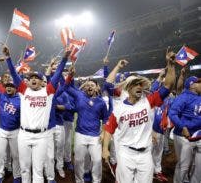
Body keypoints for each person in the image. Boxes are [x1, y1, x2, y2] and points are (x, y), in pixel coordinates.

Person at [102, 51, 176, 183]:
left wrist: (170, 65)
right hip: (125, 150)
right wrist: (104, 149)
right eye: (135, 84)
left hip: (145, 153)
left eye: (140, 84)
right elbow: (108, 128)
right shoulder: (120, 103)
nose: (139, 87)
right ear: (128, 88)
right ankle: (114, 162)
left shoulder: (149, 100)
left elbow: (168, 86)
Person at [3, 45, 70, 183]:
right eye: (31, 77)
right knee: (25, 169)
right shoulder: (23, 90)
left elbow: (56, 76)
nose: (33, 79)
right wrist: (8, 58)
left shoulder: (48, 91)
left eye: (36, 77)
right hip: (24, 135)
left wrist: (64, 59)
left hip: (41, 136)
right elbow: (14, 74)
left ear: (42, 81)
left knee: (38, 170)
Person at [65, 65, 112, 183]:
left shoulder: (101, 102)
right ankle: (79, 180)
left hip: (95, 135)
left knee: (96, 161)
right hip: (80, 134)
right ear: (85, 87)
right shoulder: (79, 95)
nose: (90, 86)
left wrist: (103, 132)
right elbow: (67, 87)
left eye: (92, 85)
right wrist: (70, 75)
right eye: (88, 85)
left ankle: (96, 180)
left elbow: (106, 119)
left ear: (97, 88)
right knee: (78, 160)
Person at [0, 68, 21, 183]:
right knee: (0, 154)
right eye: (8, 86)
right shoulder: (1, 96)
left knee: (16, 156)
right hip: (2, 130)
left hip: (15, 131)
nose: (9, 87)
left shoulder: (20, 100)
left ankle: (17, 176)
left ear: (15, 88)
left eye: (11, 86)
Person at [169, 76, 201, 183]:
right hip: (184, 136)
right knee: (184, 165)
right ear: (192, 85)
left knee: (198, 166)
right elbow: (172, 113)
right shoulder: (183, 97)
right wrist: (182, 127)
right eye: (199, 82)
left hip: (198, 135)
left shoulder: (199, 97)